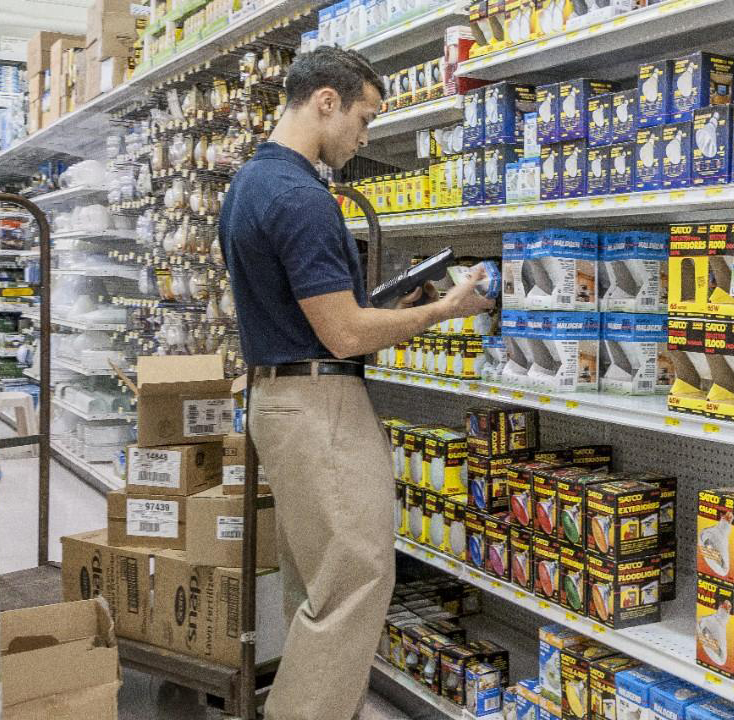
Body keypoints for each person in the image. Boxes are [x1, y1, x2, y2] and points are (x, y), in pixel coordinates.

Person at [218, 46, 495, 720]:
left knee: (318, 580)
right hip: (321, 407)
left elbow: (313, 317)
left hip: (280, 396)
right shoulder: (301, 198)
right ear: (325, 101)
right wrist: (443, 310)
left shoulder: (250, 183)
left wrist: (388, 315)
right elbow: (341, 335)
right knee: (357, 580)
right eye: (365, 119)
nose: (364, 137)